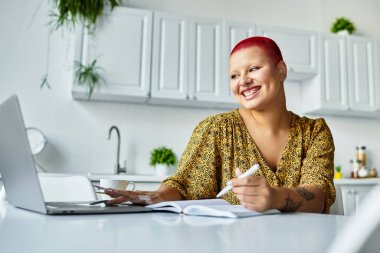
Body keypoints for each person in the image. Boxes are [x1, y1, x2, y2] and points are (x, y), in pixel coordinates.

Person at [106, 36, 336, 213]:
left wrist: (275, 198)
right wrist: (157, 196)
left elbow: (319, 196)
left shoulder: (314, 131)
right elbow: (184, 186)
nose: (243, 81)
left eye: (253, 69)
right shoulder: (215, 129)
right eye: (234, 76)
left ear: (281, 71)